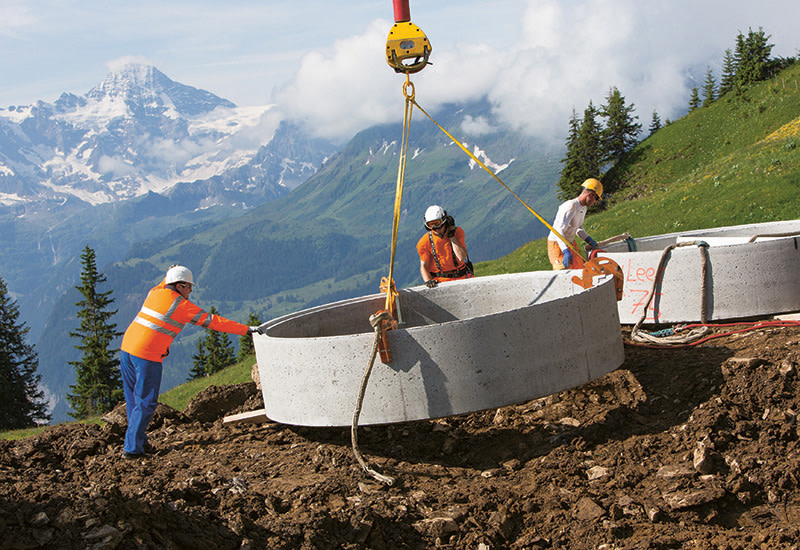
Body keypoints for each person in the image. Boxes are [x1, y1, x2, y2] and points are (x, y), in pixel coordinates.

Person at [118, 265, 263, 459]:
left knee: (133, 400)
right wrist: (246, 330)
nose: (191, 291)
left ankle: (138, 441)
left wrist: (169, 274)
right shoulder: (180, 306)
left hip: (126, 349)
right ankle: (132, 449)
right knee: (146, 402)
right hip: (147, 356)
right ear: (180, 286)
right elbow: (213, 321)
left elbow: (164, 283)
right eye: (188, 287)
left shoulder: (154, 293)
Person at [547, 178, 603, 270]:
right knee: (565, 272)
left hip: (569, 243)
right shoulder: (570, 206)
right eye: (596, 198)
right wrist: (565, 250)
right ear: (590, 194)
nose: (595, 202)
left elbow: (578, 228)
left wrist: (589, 240)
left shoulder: (583, 208)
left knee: (580, 268)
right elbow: (558, 231)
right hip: (556, 244)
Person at [417, 205, 474, 287]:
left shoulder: (458, 232)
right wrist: (428, 281)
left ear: (443, 220)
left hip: (463, 277)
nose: (434, 228)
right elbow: (424, 266)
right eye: (430, 225)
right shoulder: (424, 242)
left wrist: (452, 236)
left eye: (437, 223)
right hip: (441, 281)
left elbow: (462, 257)